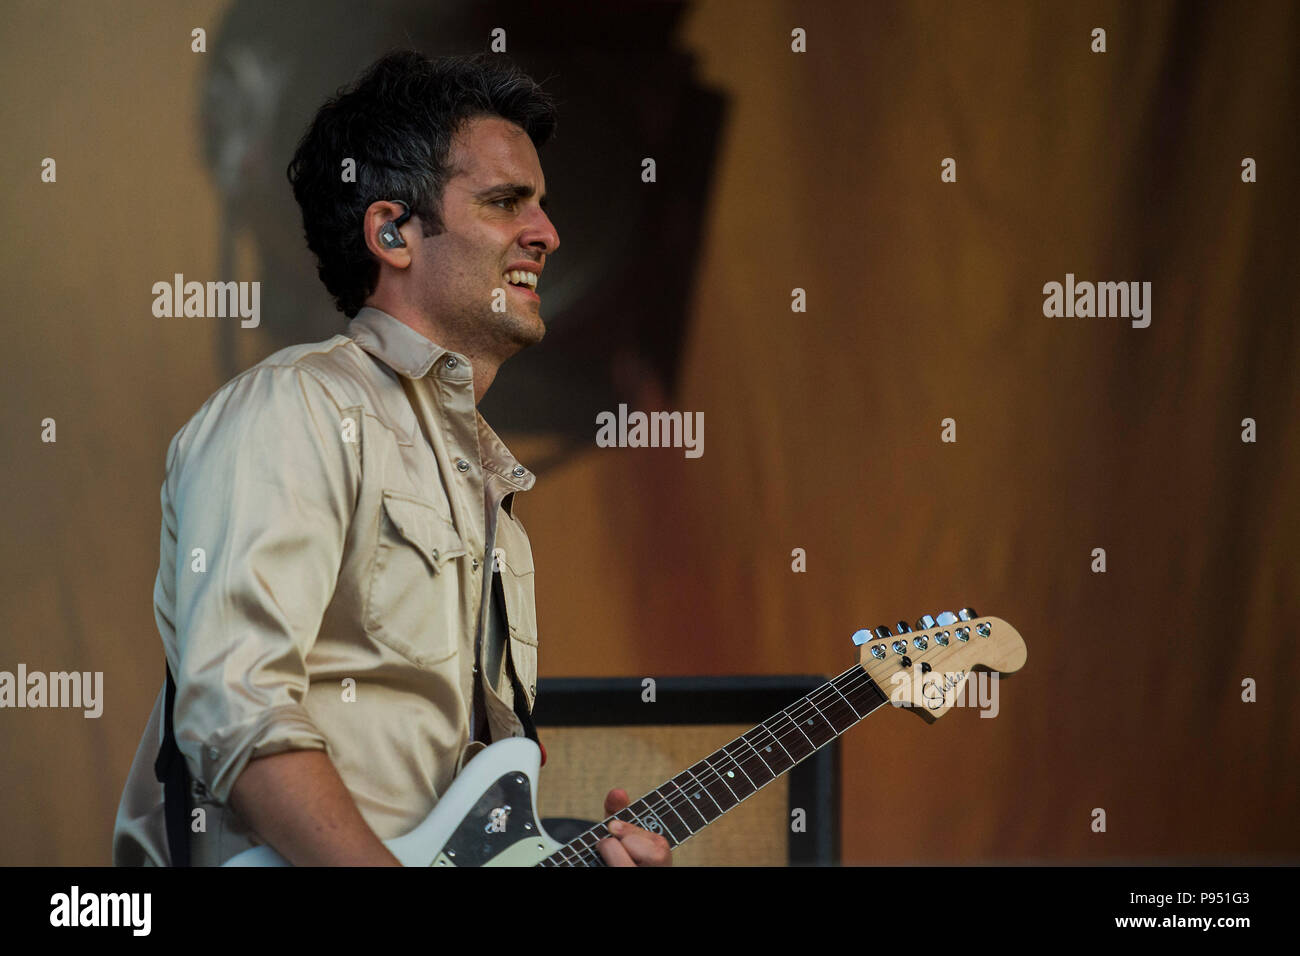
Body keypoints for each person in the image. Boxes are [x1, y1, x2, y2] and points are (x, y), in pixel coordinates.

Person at [112, 50, 671, 867]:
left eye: (542, 206)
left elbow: (465, 823)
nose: (547, 234)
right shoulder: (296, 408)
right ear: (392, 231)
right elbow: (239, 710)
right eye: (505, 202)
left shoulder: (492, 498)